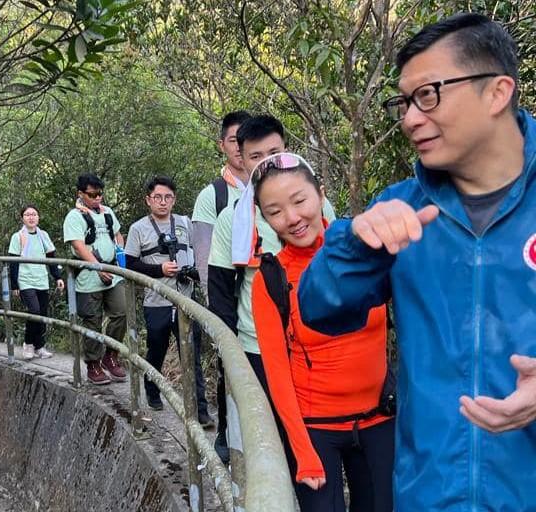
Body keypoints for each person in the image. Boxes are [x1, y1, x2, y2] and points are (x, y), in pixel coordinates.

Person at [298, 13, 536, 511]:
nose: (409, 118)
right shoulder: (402, 210)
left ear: (496, 92)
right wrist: (356, 243)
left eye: (428, 95)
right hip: (430, 492)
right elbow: (318, 309)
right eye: (403, 102)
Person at [251, 153, 394, 512]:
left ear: (320, 194)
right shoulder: (271, 278)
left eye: (300, 201)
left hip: (380, 419)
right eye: (275, 211)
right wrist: (302, 451)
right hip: (316, 429)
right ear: (265, 219)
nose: (293, 218)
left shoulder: (366, 250)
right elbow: (277, 373)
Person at [208, 114, 337, 461]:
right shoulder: (232, 218)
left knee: (313, 436)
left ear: (287, 152)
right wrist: (230, 351)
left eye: (274, 152)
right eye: (256, 156)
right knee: (269, 438)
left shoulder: (314, 205)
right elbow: (220, 290)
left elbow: (336, 264)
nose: (266, 163)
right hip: (258, 346)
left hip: (314, 344)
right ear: (241, 159)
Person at [125, 176, 214, 427]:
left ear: (174, 199)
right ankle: (152, 389)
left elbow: (202, 254)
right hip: (157, 301)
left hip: (186, 300)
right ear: (148, 200)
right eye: (157, 197)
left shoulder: (186, 223)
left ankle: (200, 410)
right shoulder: (138, 229)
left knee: (192, 354)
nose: (163, 202)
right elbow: (130, 264)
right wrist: (160, 270)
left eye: (167, 197)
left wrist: (195, 272)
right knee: (157, 348)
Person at [192, 110, 251, 457]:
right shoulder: (213, 196)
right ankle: (227, 431)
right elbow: (204, 256)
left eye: (247, 141)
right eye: (234, 141)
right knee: (229, 366)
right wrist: (218, 309)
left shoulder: (273, 183)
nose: (241, 148)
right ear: (223, 145)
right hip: (228, 298)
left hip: (265, 299)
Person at [63, 173, 127, 385]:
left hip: (112, 269)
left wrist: (120, 250)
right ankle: (93, 364)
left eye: (100, 194)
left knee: (121, 312)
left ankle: (111, 355)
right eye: (92, 195)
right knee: (92, 320)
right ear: (81, 194)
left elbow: (117, 233)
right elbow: (78, 245)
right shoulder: (74, 216)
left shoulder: (108, 212)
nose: (98, 198)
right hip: (89, 274)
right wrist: (97, 266)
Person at [8, 204, 64, 360]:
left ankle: (39, 346)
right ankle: (28, 344)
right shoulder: (18, 236)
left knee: (42, 314)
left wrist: (57, 277)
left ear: (38, 217)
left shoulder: (43, 235)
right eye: (27, 214)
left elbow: (51, 258)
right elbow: (12, 262)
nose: (31, 217)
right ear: (22, 218)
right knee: (34, 312)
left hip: (41, 280)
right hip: (25, 280)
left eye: (34, 214)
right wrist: (14, 285)